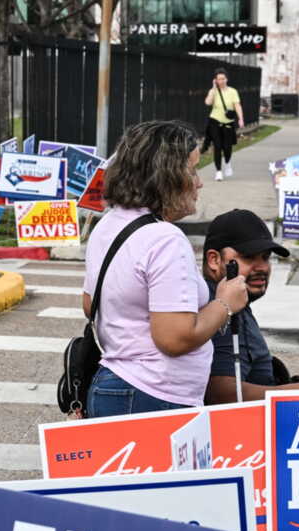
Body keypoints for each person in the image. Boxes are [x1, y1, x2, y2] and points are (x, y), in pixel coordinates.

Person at [82, 120, 248, 418]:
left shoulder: (109, 223)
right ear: (166, 176)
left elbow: (89, 302)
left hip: (118, 385)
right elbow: (175, 338)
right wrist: (225, 302)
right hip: (154, 395)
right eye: (192, 170)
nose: (199, 182)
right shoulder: (165, 239)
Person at [202, 209, 299, 404]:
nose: (262, 267)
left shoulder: (234, 300)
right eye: (248, 257)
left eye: (265, 257)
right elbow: (221, 394)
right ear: (214, 260)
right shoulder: (220, 307)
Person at [203, 68, 243, 182]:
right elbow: (208, 102)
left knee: (227, 147)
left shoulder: (233, 91)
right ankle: (218, 171)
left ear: (227, 79)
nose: (221, 81)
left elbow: (237, 105)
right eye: (219, 79)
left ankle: (227, 163)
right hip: (214, 121)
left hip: (228, 123)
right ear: (215, 80)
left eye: (223, 78)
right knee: (217, 146)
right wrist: (213, 89)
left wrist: (240, 119)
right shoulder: (213, 91)